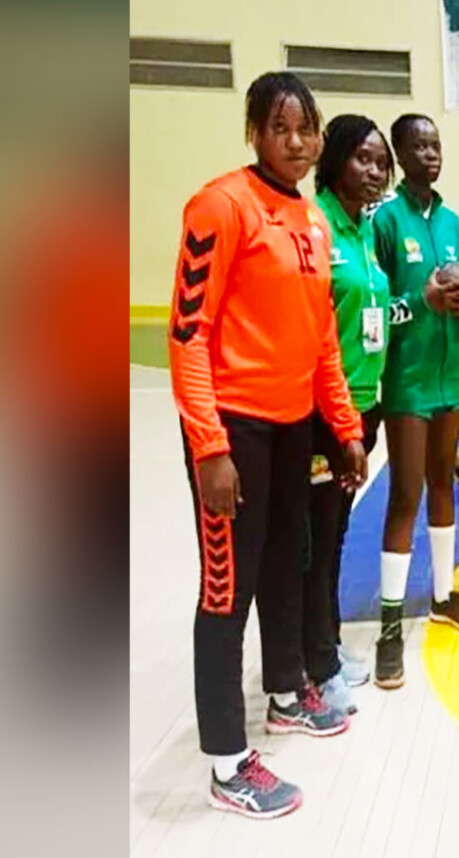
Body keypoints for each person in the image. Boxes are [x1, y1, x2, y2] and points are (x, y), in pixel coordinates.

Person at [170, 71, 365, 818]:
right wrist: (209, 447)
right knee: (228, 587)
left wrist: (342, 427)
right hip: (235, 429)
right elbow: (189, 334)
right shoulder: (220, 206)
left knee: (290, 563)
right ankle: (226, 764)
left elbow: (321, 344)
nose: (297, 141)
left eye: (307, 129)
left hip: (293, 429)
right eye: (280, 127)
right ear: (254, 131)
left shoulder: (312, 222)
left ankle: (286, 693)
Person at [372, 114, 459, 691]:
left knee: (445, 483)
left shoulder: (454, 225)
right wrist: (426, 298)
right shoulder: (385, 222)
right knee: (406, 494)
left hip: (452, 376)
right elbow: (378, 306)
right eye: (418, 145)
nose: (430, 153)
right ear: (400, 153)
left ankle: (443, 594)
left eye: (436, 143)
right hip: (408, 381)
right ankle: (389, 627)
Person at [304, 114, 394, 716]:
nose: (374, 171)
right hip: (322, 416)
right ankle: (314, 666)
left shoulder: (362, 231)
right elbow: (314, 335)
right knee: (314, 541)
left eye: (380, 162)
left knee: (334, 535)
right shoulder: (318, 230)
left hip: (365, 406)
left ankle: (326, 649)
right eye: (363, 158)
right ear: (334, 161)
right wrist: (338, 424)